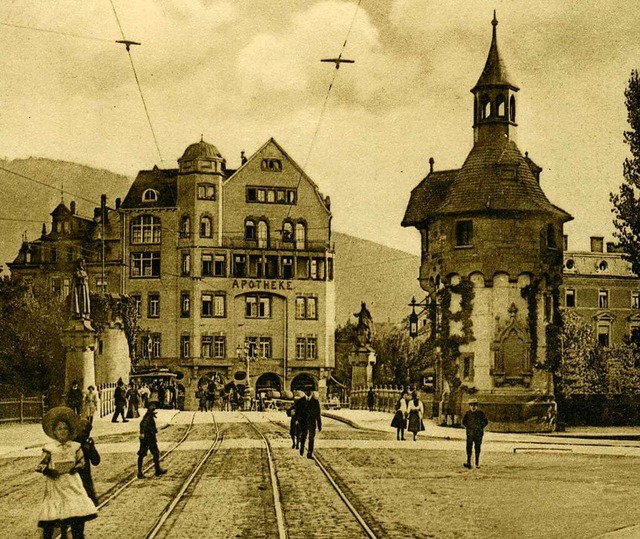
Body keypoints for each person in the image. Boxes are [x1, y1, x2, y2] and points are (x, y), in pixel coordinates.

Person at [35, 406, 97, 539]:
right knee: (53, 516)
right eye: (59, 429)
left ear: (69, 431)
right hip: (56, 484)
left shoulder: (75, 447)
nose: (62, 432)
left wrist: (76, 467)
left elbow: (82, 462)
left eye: (65, 429)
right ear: (54, 432)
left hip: (72, 483)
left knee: (76, 513)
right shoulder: (50, 448)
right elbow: (40, 466)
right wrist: (49, 471)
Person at [137, 401, 167, 479]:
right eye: (152, 406)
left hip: (150, 437)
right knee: (143, 454)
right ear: (149, 407)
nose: (154, 407)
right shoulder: (148, 415)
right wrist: (142, 433)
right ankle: (141, 472)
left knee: (155, 453)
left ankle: (157, 470)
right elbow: (142, 424)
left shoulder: (150, 414)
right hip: (147, 438)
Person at [462, 398, 489, 469]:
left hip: (478, 434)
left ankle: (477, 463)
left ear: (477, 406)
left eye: (474, 405)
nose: (473, 407)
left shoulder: (480, 413)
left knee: (477, 448)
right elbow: (464, 422)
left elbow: (485, 422)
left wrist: (480, 427)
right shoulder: (467, 413)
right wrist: (469, 428)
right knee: (469, 448)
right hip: (470, 434)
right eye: (471, 405)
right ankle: (468, 462)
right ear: (469, 406)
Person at [297, 388, 322, 459]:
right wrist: (298, 421)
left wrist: (319, 425)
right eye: (307, 391)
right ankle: (302, 448)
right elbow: (298, 412)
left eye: (310, 391)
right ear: (304, 392)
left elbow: (318, 414)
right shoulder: (300, 401)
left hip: (312, 423)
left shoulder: (315, 402)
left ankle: (310, 452)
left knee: (311, 438)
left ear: (311, 392)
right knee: (303, 436)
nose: (308, 392)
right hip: (303, 423)